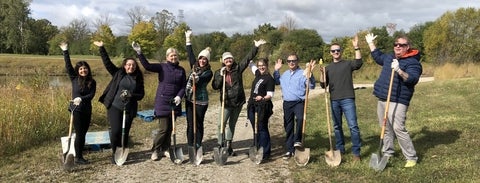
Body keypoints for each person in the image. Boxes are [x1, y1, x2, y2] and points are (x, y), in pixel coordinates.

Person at [365, 33, 422, 167]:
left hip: (398, 100)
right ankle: (387, 152)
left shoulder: (413, 62)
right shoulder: (390, 57)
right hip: (383, 97)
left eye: (401, 45)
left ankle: (411, 157)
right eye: (396, 44)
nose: (397, 47)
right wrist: (370, 44)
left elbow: (412, 79)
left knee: (398, 128)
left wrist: (399, 70)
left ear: (407, 47)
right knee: (385, 128)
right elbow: (378, 57)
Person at [131, 42, 186, 161]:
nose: (173, 57)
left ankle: (166, 148)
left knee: (171, 128)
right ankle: (155, 149)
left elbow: (183, 86)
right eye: (171, 56)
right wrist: (139, 53)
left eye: (175, 56)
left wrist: (179, 97)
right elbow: (147, 66)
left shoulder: (181, 70)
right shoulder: (162, 67)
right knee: (164, 128)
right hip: (163, 101)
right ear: (167, 57)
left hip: (175, 102)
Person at [211, 39, 266, 156]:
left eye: (230, 58)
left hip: (238, 102)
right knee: (221, 124)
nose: (228, 60)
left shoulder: (238, 69)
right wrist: (221, 76)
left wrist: (255, 47)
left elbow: (247, 59)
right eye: (226, 59)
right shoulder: (218, 72)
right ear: (223, 61)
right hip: (226, 102)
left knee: (232, 124)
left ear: (233, 59)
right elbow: (215, 86)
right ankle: (220, 144)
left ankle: (229, 146)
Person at [95, 41, 145, 164]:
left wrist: (131, 95)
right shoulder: (118, 73)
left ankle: (122, 150)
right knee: (116, 131)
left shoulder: (138, 78)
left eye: (133, 65)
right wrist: (102, 48)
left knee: (124, 132)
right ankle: (115, 153)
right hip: (115, 106)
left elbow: (141, 95)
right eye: (128, 65)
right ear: (124, 66)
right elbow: (107, 63)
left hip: (129, 108)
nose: (131, 67)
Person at [319, 34, 363, 161]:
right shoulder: (328, 68)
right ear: (330, 53)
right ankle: (340, 149)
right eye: (333, 51)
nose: (336, 52)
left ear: (341, 52)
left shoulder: (348, 64)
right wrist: (322, 74)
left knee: (353, 126)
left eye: (338, 50)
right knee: (337, 126)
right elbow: (323, 85)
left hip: (348, 98)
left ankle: (356, 152)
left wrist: (356, 48)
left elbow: (359, 63)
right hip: (334, 100)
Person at [60, 42, 97, 165]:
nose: (83, 70)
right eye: (81, 69)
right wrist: (65, 50)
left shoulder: (92, 81)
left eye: (85, 68)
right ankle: (78, 157)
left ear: (88, 69)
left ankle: (78, 154)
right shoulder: (74, 78)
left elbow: (91, 95)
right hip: (76, 110)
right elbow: (68, 65)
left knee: (83, 133)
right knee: (80, 133)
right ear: (78, 70)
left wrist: (82, 98)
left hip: (86, 109)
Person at [273, 54, 316, 160]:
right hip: (287, 103)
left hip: (298, 102)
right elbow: (277, 81)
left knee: (301, 118)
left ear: (297, 61)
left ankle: (297, 140)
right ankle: (289, 150)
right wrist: (276, 70)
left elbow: (311, 86)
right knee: (288, 126)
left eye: (293, 61)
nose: (291, 63)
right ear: (287, 63)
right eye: (289, 61)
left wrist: (310, 75)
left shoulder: (303, 73)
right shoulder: (285, 74)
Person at [184, 30, 213, 150]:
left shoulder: (208, 72)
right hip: (190, 99)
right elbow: (190, 54)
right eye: (201, 58)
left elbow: (201, 79)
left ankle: (198, 144)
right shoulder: (194, 66)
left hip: (201, 101)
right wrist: (188, 39)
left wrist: (196, 78)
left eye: (204, 59)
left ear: (207, 61)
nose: (202, 60)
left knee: (198, 124)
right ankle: (191, 144)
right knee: (190, 124)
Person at [247, 58, 275, 160]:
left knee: (262, 128)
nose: (261, 67)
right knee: (255, 128)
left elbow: (270, 95)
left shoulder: (269, 79)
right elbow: (250, 64)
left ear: (267, 66)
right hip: (253, 105)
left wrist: (262, 98)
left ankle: (266, 152)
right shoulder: (258, 74)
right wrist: (252, 52)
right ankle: (257, 147)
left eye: (263, 65)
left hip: (263, 106)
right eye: (259, 66)